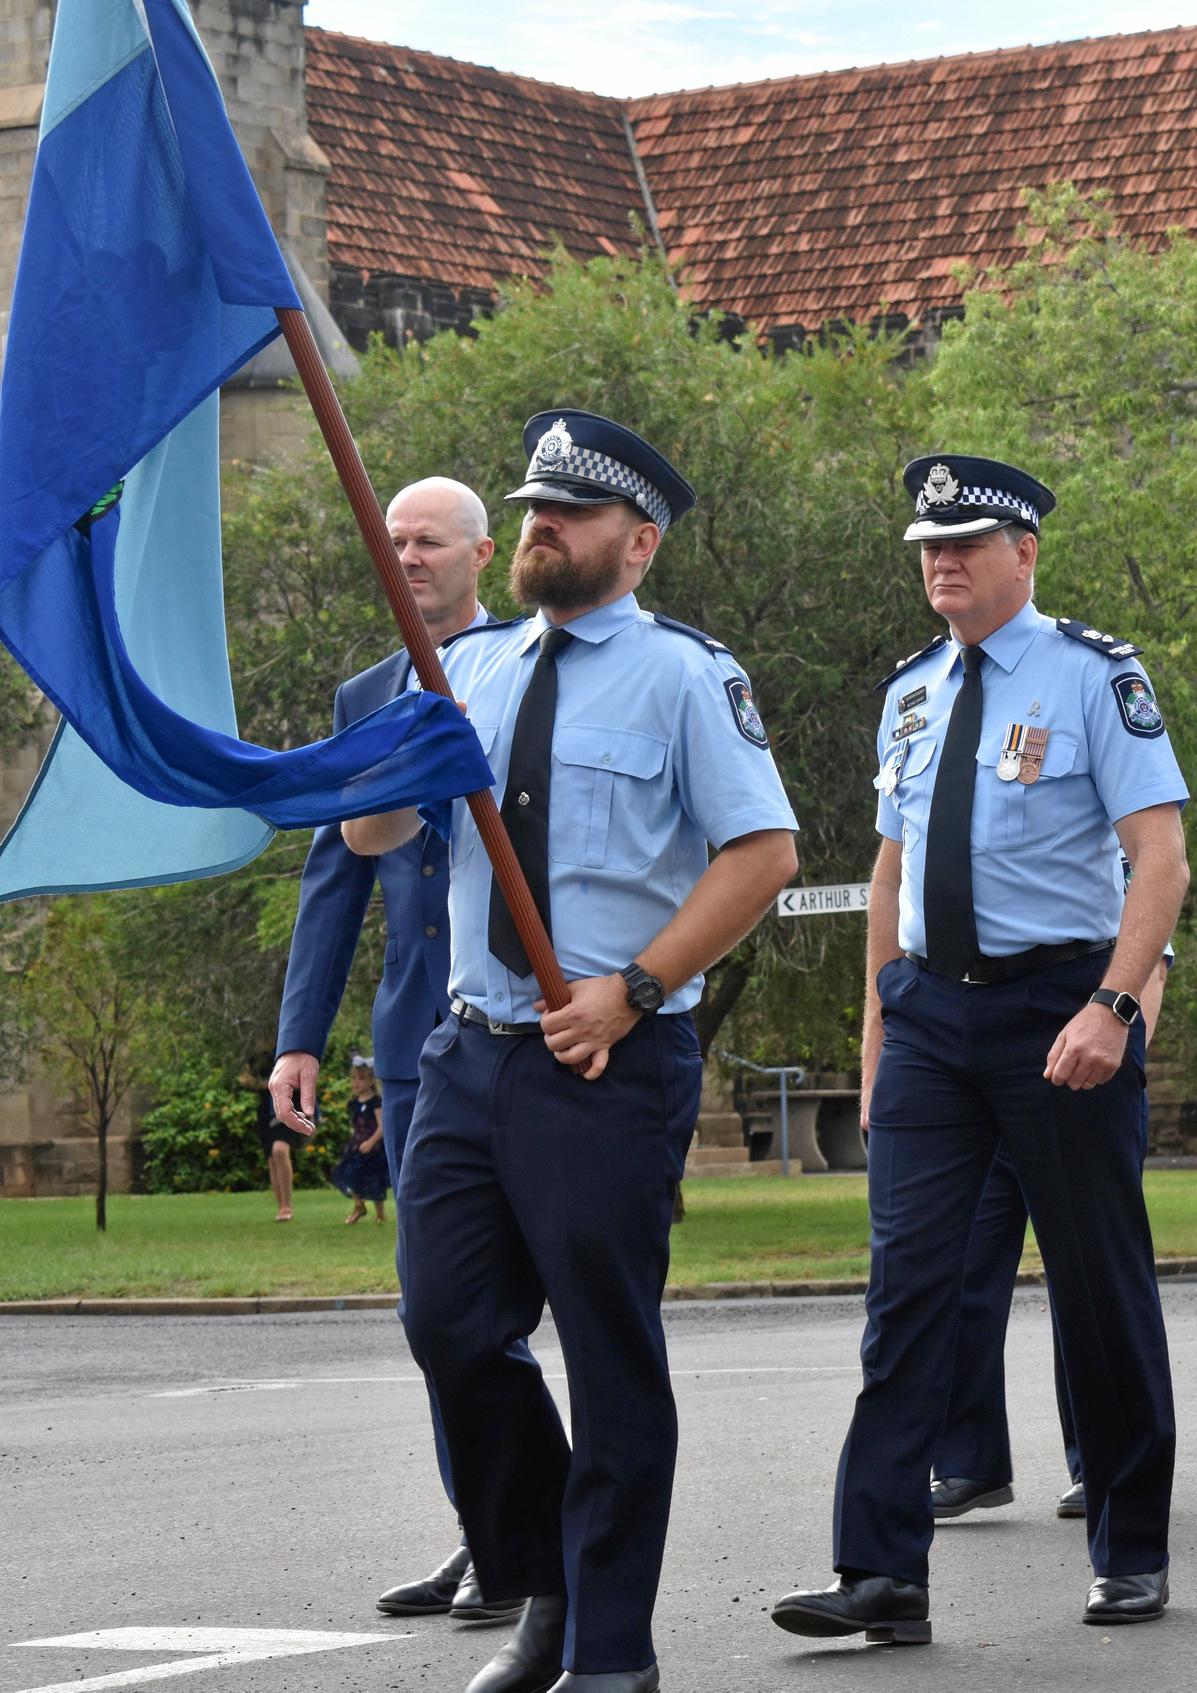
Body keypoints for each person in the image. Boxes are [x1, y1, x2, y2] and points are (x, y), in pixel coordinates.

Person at [344, 409, 800, 1693]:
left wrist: (638, 989)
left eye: (570, 514)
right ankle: (543, 1572)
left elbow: (763, 854)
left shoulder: (685, 677)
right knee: (448, 1327)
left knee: (607, 1357)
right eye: (532, 508)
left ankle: (608, 1649)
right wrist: (387, 748)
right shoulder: (471, 672)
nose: (539, 527)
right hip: (472, 1051)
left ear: (636, 543)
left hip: (606, 1062)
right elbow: (379, 839)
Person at [773, 454, 1189, 1643]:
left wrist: (1114, 1007)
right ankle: (881, 1571)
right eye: (927, 545)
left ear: (1026, 553)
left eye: (965, 542)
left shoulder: (1095, 677)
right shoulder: (909, 692)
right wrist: (878, 1022)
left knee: (1096, 1287)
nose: (941, 561)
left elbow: (1158, 860)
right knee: (907, 1293)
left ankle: (1130, 1545)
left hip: (1058, 1008)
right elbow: (893, 873)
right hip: (929, 1023)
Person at [266, 476, 517, 1624]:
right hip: (416, 1048)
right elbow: (336, 874)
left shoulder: (535, 662)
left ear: (483, 551)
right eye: (394, 540)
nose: (407, 556)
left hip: (533, 1028)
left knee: (529, 1299)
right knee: (444, 1311)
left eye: (429, 541)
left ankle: (554, 1539)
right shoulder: (366, 693)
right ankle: (489, 1537)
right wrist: (300, 1040)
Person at [927, 938, 1175, 1523]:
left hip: (1085, 1076)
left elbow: (1151, 976)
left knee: (1085, 1281)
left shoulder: (1112, 852)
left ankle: (1099, 1462)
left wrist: (1122, 1054)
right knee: (968, 1266)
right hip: (989, 1079)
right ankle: (970, 1461)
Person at [247, 1057, 305, 1222]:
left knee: (279, 1150)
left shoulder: (287, 1050)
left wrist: (262, 1084)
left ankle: (287, 1206)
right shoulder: (257, 1057)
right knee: (272, 1159)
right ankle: (282, 1207)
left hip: (289, 1110)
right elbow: (248, 1080)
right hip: (266, 1113)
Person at [333, 1057, 390, 1224]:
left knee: (374, 1179)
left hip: (373, 1147)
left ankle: (380, 1214)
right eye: (354, 1079)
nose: (356, 1083)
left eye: (361, 1079)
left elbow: (382, 1127)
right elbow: (356, 1125)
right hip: (356, 1146)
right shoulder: (354, 1103)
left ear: (371, 1080)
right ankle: (359, 1205)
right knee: (347, 1174)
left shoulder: (375, 1102)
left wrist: (371, 1142)